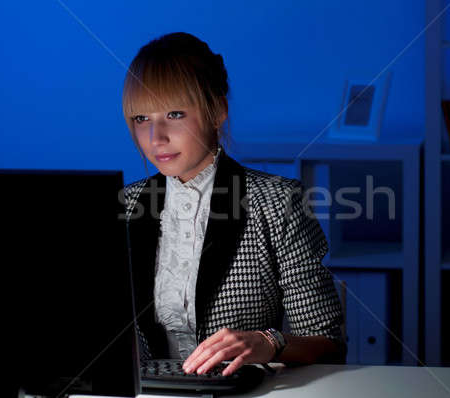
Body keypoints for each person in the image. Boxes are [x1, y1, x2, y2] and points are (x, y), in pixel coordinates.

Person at [121, 32, 346, 376]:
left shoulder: (278, 202)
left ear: (218, 111)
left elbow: (329, 342)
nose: (156, 137)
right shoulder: (127, 203)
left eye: (175, 114)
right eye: (142, 119)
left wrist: (268, 343)